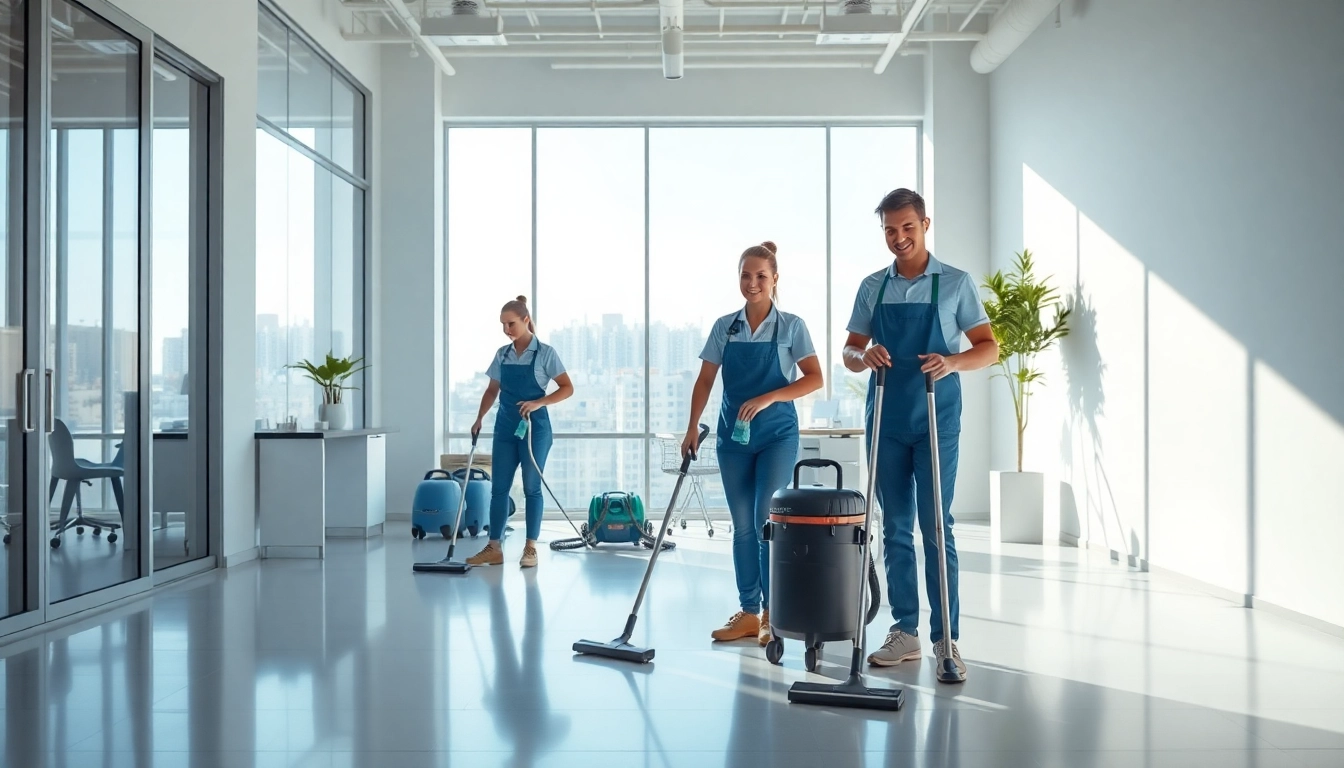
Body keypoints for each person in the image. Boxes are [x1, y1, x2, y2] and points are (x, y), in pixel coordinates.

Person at [841, 188, 998, 680]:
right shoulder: (872, 286)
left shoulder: (954, 283)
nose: (899, 237)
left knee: (935, 525)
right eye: (890, 229)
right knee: (894, 528)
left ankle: (945, 637)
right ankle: (905, 631)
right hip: (885, 417)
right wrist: (861, 357)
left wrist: (951, 361)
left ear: (925, 224)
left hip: (935, 416)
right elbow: (848, 349)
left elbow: (988, 348)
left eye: (908, 227)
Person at [682, 241, 823, 647]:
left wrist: (769, 397)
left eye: (761, 275)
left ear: (775, 279)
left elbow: (814, 377)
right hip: (733, 439)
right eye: (746, 275)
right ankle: (747, 611)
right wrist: (692, 427)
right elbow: (705, 380)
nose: (752, 282)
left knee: (765, 521)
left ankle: (770, 614)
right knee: (742, 526)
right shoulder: (725, 327)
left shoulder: (792, 326)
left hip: (777, 435)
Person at [467, 296, 574, 569]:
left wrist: (539, 402)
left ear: (526, 320)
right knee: (498, 488)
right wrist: (480, 417)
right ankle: (494, 548)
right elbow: (492, 390)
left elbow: (566, 387)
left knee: (531, 487)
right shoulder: (502, 354)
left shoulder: (545, 353)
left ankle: (530, 548)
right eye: (503, 325)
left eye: (511, 323)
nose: (507, 330)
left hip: (535, 430)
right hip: (505, 427)